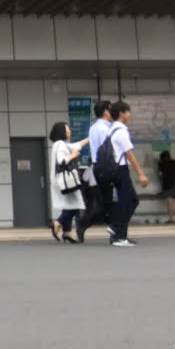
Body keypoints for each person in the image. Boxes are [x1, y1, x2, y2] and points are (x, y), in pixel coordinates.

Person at [107, 101, 149, 247]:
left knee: (129, 201)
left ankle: (117, 230)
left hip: (115, 169)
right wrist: (141, 174)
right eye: (128, 112)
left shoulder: (112, 129)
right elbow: (129, 154)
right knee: (129, 201)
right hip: (120, 170)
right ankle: (118, 234)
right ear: (121, 113)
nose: (129, 115)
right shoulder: (121, 131)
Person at [76, 99, 113, 243]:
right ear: (105, 112)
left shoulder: (94, 127)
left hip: (99, 168)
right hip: (105, 168)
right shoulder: (104, 128)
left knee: (106, 203)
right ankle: (85, 223)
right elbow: (107, 150)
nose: (112, 112)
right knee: (106, 203)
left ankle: (115, 229)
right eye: (110, 109)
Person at [48, 121, 89, 244]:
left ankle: (67, 232)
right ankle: (58, 223)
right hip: (66, 181)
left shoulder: (59, 144)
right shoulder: (60, 145)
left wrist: (89, 138)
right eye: (67, 129)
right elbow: (62, 161)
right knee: (75, 205)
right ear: (62, 131)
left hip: (61, 180)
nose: (69, 131)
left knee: (70, 205)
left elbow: (76, 145)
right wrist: (73, 155)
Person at [158, 150, 175, 224]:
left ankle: (172, 219)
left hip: (167, 183)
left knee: (169, 200)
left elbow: (160, 173)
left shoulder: (161, 163)